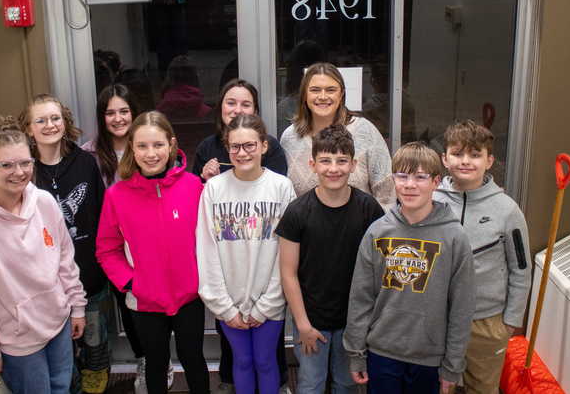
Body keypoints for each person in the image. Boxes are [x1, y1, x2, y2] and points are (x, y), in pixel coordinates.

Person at [0, 117, 87, 394]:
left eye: (25, 163)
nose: (18, 172)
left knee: (63, 388)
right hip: (19, 342)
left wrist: (76, 306)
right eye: (6, 165)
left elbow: (64, 259)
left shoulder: (45, 203)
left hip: (58, 324)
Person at [343, 142, 475, 394]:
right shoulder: (377, 232)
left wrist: (453, 365)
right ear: (393, 179)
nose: (410, 185)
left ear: (436, 182)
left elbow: (462, 306)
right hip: (382, 353)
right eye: (402, 176)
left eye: (420, 177)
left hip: (430, 358)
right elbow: (361, 297)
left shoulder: (454, 237)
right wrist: (357, 353)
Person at [97, 111, 210, 394]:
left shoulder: (194, 187)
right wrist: (131, 283)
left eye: (158, 145)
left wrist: (200, 278)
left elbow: (208, 240)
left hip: (189, 297)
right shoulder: (116, 196)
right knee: (156, 364)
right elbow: (107, 249)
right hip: (144, 301)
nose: (151, 153)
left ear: (171, 145)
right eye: (143, 146)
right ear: (131, 149)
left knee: (194, 359)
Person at [191, 78, 289, 393]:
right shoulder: (214, 190)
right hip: (228, 300)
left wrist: (267, 304)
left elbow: (285, 253)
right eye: (235, 146)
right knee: (242, 363)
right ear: (226, 148)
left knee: (265, 361)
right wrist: (223, 305)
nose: (242, 152)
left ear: (264, 146)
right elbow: (206, 250)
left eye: (250, 145)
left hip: (269, 301)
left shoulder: (281, 188)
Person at [277, 125, 384, 394]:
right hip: (311, 321)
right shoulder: (297, 212)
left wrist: (368, 323)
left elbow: (379, 269)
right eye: (325, 160)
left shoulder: (369, 209)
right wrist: (302, 324)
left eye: (341, 161)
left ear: (354, 165)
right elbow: (288, 273)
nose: (333, 168)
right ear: (312, 164)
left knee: (346, 383)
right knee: (311, 384)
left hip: (353, 322)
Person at [81, 85, 173, 393]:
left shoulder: (149, 145)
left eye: (124, 111)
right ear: (101, 117)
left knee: (150, 309)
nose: (118, 118)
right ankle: (142, 358)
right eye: (110, 113)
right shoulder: (89, 154)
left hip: (146, 244)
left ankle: (158, 359)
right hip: (113, 246)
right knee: (127, 306)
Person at [434, 120, 531, 394]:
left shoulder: (507, 210)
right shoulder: (432, 202)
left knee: (482, 387)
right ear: (444, 158)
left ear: (489, 161)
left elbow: (520, 269)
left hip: (487, 322)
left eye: (475, 155)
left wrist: (510, 320)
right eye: (457, 153)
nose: (465, 161)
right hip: (438, 318)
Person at [20, 94, 108, 394]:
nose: (49, 125)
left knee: (94, 336)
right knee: (62, 352)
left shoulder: (85, 162)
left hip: (89, 272)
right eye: (40, 120)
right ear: (29, 129)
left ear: (65, 121)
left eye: (55, 118)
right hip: (48, 282)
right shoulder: (26, 172)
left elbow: (101, 213)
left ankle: (97, 379)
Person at [280, 62, 394, 207]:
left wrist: (378, 228)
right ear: (304, 95)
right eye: (315, 90)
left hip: (363, 228)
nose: (322, 96)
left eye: (330, 90)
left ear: (341, 94)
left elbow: (386, 192)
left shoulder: (365, 131)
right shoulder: (290, 138)